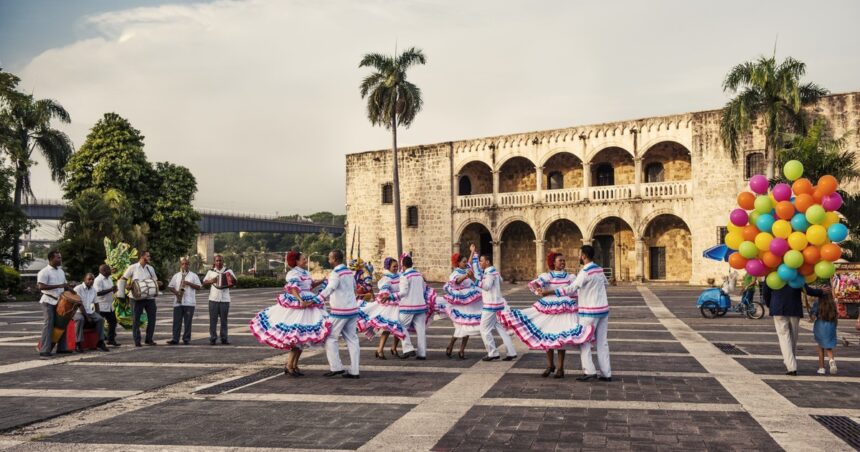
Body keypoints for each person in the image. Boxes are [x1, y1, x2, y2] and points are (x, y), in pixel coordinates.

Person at [502, 252, 593, 378]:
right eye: (560, 260)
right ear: (553, 262)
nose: (562, 263)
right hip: (549, 307)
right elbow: (535, 284)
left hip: (564, 309)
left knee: (561, 338)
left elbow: (574, 289)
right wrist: (539, 289)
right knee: (547, 335)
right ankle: (550, 365)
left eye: (563, 261)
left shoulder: (570, 277)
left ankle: (560, 368)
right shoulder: (548, 276)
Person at [250, 251, 331, 376]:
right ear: (297, 261)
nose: (305, 260)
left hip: (307, 301)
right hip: (298, 305)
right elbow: (293, 288)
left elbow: (309, 286)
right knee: (296, 336)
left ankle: (294, 365)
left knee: (301, 338)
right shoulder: (293, 273)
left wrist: (322, 280)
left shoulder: (305, 272)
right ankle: (289, 365)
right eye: (303, 259)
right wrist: (300, 301)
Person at [553, 245, 611, 382]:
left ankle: (589, 371)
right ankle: (606, 373)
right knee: (602, 343)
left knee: (584, 341)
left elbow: (572, 288)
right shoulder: (598, 269)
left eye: (580, 254)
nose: (579, 256)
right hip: (603, 309)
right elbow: (606, 284)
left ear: (584, 255)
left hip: (589, 311)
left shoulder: (585, 271)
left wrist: (553, 292)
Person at [762, 282, 827, 376]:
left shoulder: (772, 271)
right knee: (793, 338)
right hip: (794, 308)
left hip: (778, 307)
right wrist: (821, 291)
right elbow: (806, 289)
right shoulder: (796, 271)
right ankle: (791, 363)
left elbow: (766, 291)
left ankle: (791, 365)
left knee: (784, 338)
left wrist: (770, 304)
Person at [314, 250, 361, 378]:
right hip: (352, 309)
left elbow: (330, 288)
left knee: (330, 338)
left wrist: (318, 298)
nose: (328, 260)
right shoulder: (349, 272)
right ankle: (355, 370)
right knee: (352, 340)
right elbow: (355, 288)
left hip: (340, 311)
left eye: (329, 258)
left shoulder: (335, 273)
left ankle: (336, 367)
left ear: (334, 259)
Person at [473, 252, 517, 362]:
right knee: (502, 329)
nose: (480, 263)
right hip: (498, 305)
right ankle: (511, 352)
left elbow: (487, 286)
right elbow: (501, 281)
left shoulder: (489, 273)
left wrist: (476, 281)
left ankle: (493, 353)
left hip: (491, 306)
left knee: (484, 329)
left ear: (487, 262)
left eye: (481, 261)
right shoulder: (494, 271)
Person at [357, 257, 403, 359]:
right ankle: (380, 349)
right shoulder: (386, 278)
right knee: (387, 328)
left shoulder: (400, 276)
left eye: (397, 266)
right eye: (394, 266)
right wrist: (387, 294)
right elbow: (384, 288)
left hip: (399, 304)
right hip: (390, 305)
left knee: (399, 327)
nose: (396, 268)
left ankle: (394, 348)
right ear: (388, 267)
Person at [441, 248, 482, 359]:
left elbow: (469, 262)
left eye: (465, 261)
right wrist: (466, 276)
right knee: (461, 327)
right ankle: (451, 345)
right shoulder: (455, 273)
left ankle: (461, 350)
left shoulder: (466, 268)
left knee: (467, 327)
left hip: (470, 303)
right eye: (463, 262)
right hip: (461, 304)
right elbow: (456, 281)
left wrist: (472, 251)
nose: (466, 263)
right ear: (457, 263)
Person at [394, 254, 430, 360]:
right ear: (412, 264)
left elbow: (403, 292)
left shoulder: (404, 276)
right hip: (421, 305)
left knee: (399, 326)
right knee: (421, 330)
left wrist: (393, 296)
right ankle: (422, 353)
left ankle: (408, 348)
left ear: (403, 265)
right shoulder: (419, 275)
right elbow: (424, 289)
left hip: (408, 306)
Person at [37, 250, 72, 357]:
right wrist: (58, 286)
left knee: (62, 323)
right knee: (49, 324)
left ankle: (62, 348)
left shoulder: (61, 271)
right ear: (51, 259)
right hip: (48, 301)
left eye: (60, 257)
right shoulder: (44, 272)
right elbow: (41, 286)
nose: (60, 259)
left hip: (60, 301)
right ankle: (44, 350)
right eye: (58, 258)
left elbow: (64, 285)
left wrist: (70, 289)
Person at [120, 250, 159, 347]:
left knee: (152, 318)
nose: (149, 258)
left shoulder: (150, 268)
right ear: (142, 257)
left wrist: (158, 284)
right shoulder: (133, 267)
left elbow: (155, 281)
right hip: (136, 298)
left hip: (149, 297)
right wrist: (126, 287)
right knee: (136, 320)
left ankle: (149, 339)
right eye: (148, 256)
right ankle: (137, 341)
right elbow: (123, 279)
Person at [166, 258, 202, 345]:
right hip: (178, 302)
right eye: (183, 264)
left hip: (189, 303)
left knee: (187, 322)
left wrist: (189, 283)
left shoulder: (193, 276)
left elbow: (199, 287)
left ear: (189, 265)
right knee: (176, 322)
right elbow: (170, 286)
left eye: (186, 264)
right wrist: (176, 292)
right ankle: (175, 339)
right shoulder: (176, 275)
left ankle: (186, 339)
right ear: (180, 265)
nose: (184, 265)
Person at [203, 255, 237, 345]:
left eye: (220, 260)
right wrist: (212, 281)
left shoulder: (228, 271)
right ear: (214, 262)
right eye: (217, 261)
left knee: (224, 321)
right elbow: (204, 282)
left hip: (225, 300)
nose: (219, 262)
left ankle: (224, 338)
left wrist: (230, 278)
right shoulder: (210, 272)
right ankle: (213, 338)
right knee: (213, 320)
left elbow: (235, 282)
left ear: (223, 261)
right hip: (213, 299)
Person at [72, 273, 110, 353]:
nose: (91, 281)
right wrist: (87, 317)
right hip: (77, 311)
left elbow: (96, 304)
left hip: (89, 311)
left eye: (92, 279)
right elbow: (79, 304)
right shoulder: (78, 289)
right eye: (89, 279)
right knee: (80, 319)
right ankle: (78, 343)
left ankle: (100, 342)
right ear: (84, 280)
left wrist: (98, 315)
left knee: (100, 319)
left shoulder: (93, 290)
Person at [811, 291, 838, 375]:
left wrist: (811, 315)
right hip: (831, 325)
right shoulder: (832, 303)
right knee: (828, 346)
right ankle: (831, 360)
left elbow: (813, 316)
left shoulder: (818, 302)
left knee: (820, 346)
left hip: (820, 325)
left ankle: (821, 368)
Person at [94, 264, 120, 346]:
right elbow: (97, 293)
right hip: (101, 306)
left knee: (113, 322)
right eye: (109, 269)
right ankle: (98, 342)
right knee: (100, 324)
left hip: (109, 305)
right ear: (103, 271)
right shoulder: (98, 280)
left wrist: (114, 290)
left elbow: (110, 290)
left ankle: (111, 340)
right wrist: (110, 289)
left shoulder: (109, 278)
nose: (110, 271)